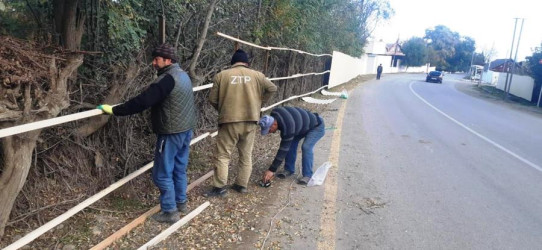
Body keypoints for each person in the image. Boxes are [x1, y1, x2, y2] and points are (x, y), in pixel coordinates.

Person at [97, 43, 197, 224]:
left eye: (157, 59)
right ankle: (181, 203)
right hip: (186, 129)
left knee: (162, 173)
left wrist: (115, 110)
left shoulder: (167, 79)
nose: (153, 62)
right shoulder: (183, 75)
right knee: (179, 168)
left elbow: (143, 102)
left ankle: (169, 211)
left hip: (171, 133)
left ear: (167, 60)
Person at [204, 49, 278, 197]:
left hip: (229, 120)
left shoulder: (222, 76)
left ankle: (220, 188)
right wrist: (259, 103)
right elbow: (272, 88)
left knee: (223, 155)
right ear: (247, 63)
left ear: (233, 63)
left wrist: (223, 108)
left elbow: (212, 99)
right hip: (251, 120)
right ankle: (241, 185)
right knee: (246, 155)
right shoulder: (257, 75)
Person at [259, 106, 325, 185]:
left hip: (316, 126)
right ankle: (289, 169)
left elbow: (283, 149)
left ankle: (307, 175)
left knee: (306, 147)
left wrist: (271, 170)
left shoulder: (288, 126)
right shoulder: (275, 113)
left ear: (274, 124)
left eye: (269, 130)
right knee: (290, 144)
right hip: (301, 126)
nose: (269, 132)